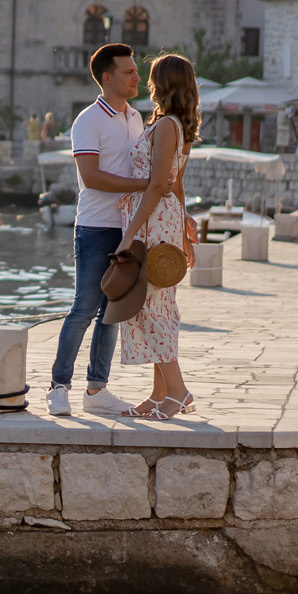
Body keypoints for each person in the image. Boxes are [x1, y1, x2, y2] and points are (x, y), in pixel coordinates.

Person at [48, 44, 149, 417]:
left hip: (128, 228)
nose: (137, 77)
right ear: (108, 77)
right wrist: (144, 186)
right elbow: (90, 177)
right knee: (84, 310)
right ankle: (59, 387)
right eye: (129, 72)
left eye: (135, 71)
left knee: (112, 313)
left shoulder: (136, 118)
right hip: (95, 227)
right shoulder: (88, 120)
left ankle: (96, 389)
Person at [115, 53, 201, 418]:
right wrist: (184, 235)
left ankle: (178, 391)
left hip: (152, 223)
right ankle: (159, 393)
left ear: (162, 83)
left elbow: (157, 186)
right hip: (164, 221)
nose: (147, 83)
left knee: (150, 308)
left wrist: (129, 235)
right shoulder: (177, 125)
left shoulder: (167, 126)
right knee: (159, 306)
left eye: (151, 77)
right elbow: (176, 185)